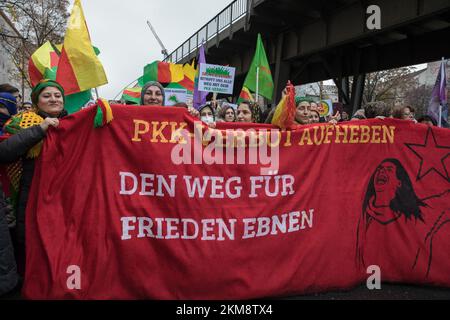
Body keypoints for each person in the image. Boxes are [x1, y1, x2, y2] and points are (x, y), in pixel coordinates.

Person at [0, 79, 66, 276]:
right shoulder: (23, 122)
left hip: (64, 200)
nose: (53, 99)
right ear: (36, 102)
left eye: (57, 95)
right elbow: (4, 152)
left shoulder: (76, 123)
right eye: (47, 96)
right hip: (31, 200)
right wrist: (40, 129)